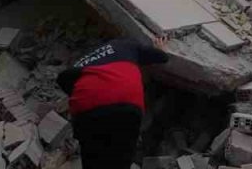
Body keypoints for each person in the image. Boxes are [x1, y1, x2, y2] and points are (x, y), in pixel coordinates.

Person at [57, 37, 169, 169]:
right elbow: (161, 57)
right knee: (120, 158)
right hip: (124, 103)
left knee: (92, 158)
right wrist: (161, 50)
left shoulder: (83, 61)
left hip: (85, 109)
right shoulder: (127, 44)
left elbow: (62, 79)